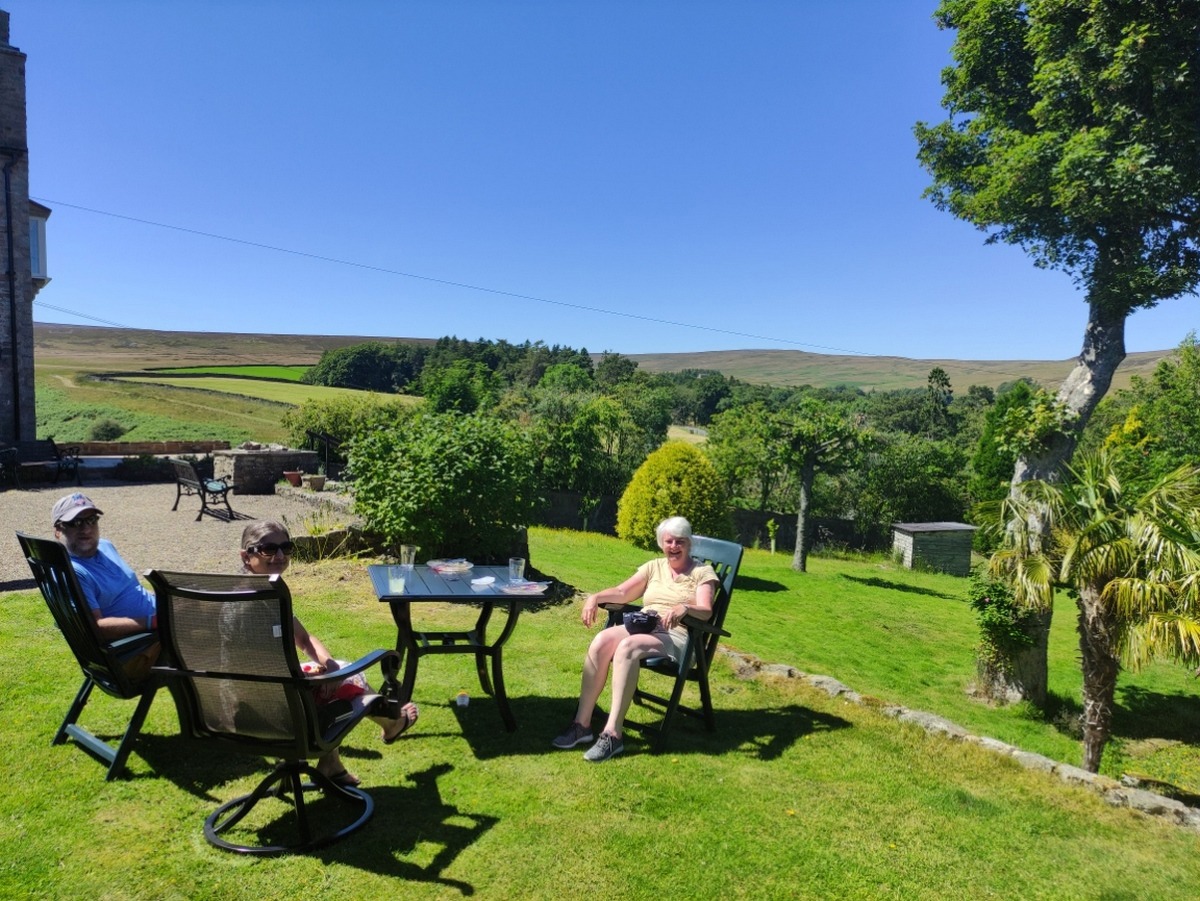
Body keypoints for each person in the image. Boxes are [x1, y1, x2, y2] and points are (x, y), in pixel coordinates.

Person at [239, 520, 418, 787]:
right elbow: (259, 663)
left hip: (238, 707)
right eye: (267, 549)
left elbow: (303, 637)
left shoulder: (240, 593)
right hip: (277, 709)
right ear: (246, 556)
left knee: (337, 669)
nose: (279, 556)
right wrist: (318, 676)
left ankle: (332, 764)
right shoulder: (258, 601)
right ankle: (390, 724)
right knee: (349, 678)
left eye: (285, 548)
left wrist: (329, 665)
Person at [553, 515, 719, 762]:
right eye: (669, 541)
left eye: (680, 541)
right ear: (661, 543)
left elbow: (706, 610)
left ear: (689, 544)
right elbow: (622, 592)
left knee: (628, 647)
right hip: (645, 624)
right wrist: (594, 598)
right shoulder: (654, 566)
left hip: (678, 635)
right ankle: (582, 724)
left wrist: (686, 608)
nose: (674, 546)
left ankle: (612, 734)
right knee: (601, 641)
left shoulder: (702, 572)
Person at [52, 492, 159, 680]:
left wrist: (166, 599)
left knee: (217, 607)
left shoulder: (106, 546)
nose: (86, 528)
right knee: (218, 626)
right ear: (58, 531)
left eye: (91, 520)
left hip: (158, 625)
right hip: (141, 647)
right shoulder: (74, 571)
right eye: (75, 522)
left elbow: (130, 590)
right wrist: (154, 621)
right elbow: (94, 627)